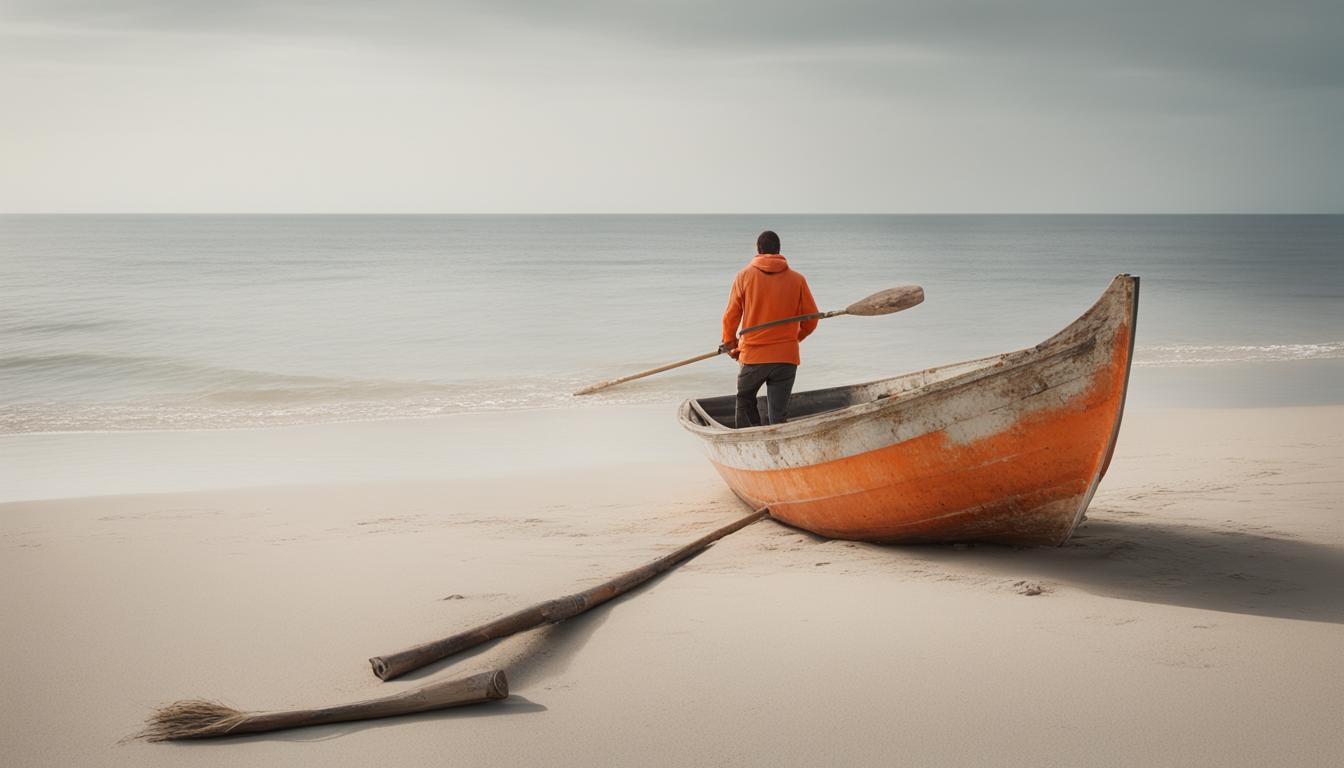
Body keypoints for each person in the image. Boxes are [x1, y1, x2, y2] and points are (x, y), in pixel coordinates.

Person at [720, 230, 819, 428]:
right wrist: (793, 339)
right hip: (786, 358)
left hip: (753, 356)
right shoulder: (797, 279)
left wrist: (730, 344)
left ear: (758, 250)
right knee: (778, 416)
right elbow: (812, 319)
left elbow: (731, 316)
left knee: (745, 400)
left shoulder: (743, 276)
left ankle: (749, 441)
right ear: (778, 250)